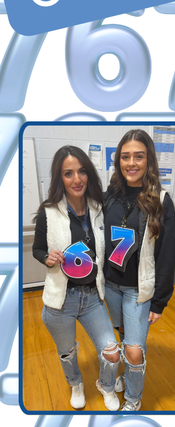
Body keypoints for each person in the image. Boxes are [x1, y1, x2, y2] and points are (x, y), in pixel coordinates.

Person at [33, 145, 122, 410]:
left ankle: (105, 386)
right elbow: (38, 248)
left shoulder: (99, 207)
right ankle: (76, 384)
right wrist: (46, 258)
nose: (77, 179)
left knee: (111, 351)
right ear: (60, 178)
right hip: (61, 300)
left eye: (81, 171)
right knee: (67, 353)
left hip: (93, 297)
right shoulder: (48, 212)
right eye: (68, 173)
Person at [102, 129, 175, 411]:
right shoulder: (109, 194)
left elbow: (167, 254)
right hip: (109, 286)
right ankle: (124, 375)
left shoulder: (161, 199)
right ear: (117, 160)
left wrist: (159, 301)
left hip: (138, 290)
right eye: (125, 156)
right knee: (123, 338)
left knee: (134, 350)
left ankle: (133, 400)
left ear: (149, 160)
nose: (131, 163)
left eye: (138, 156)